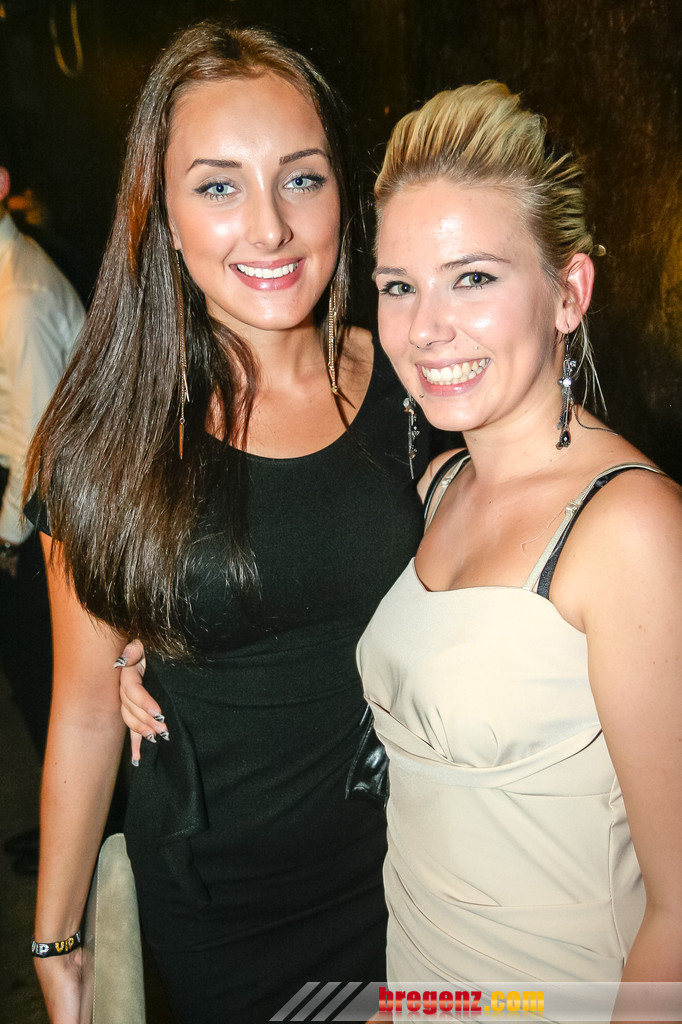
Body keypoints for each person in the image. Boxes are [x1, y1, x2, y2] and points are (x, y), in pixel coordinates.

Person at [25, 21, 434, 1024]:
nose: (270, 227)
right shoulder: (108, 442)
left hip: (427, 872)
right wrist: (58, 939)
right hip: (226, 914)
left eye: (301, 178)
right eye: (217, 187)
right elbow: (84, 709)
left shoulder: (421, 382)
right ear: (161, 213)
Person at [356, 82, 682, 1000]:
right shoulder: (441, 485)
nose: (426, 329)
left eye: (473, 278)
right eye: (399, 286)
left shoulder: (630, 531)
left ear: (568, 293)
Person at [0, 162, 84, 870]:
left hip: (43, 516)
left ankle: (80, 838)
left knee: (46, 684)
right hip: (38, 502)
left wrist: (6, 540)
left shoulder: (20, 298)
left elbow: (37, 442)